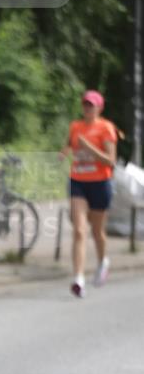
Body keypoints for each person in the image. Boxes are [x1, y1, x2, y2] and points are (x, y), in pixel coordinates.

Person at [58, 90, 117, 298]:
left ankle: (103, 261)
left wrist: (89, 147)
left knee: (97, 232)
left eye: (91, 105)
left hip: (100, 184)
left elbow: (111, 161)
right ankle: (79, 279)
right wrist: (63, 152)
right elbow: (69, 143)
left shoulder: (106, 128)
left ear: (99, 108)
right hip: (78, 183)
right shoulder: (75, 126)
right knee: (80, 231)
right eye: (85, 104)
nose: (87, 108)